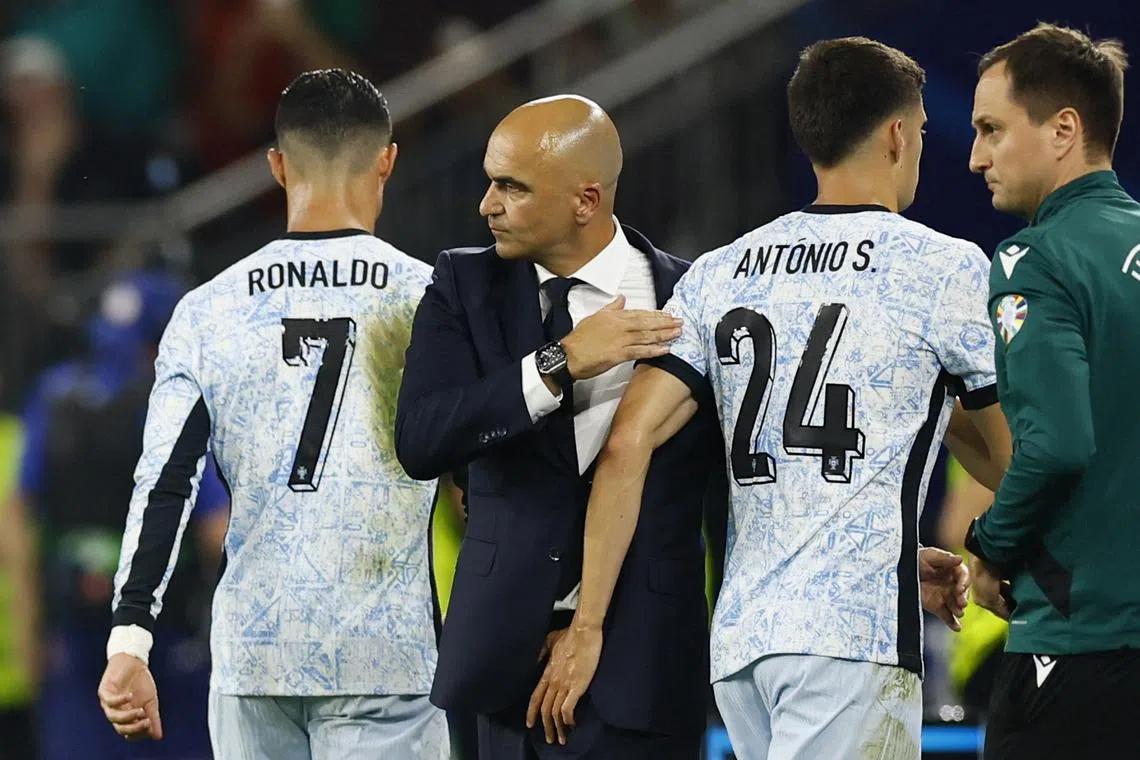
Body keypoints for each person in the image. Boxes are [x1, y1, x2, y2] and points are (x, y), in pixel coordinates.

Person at [536, 38, 1011, 760]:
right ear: (893, 135)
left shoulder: (722, 273)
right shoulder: (941, 268)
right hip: (853, 642)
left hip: (743, 647)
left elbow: (628, 443)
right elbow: (1009, 457)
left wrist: (588, 621)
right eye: (918, 131)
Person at [96, 69, 449, 760]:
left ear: (277, 166)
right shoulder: (429, 297)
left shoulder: (208, 310)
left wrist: (129, 639)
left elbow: (164, 484)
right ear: (388, 159)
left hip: (254, 653)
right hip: (384, 651)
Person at [395, 95, 723, 758]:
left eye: (511, 187)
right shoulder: (462, 284)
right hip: (499, 668)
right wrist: (558, 363)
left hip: (645, 668)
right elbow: (423, 439)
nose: (487, 204)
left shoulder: (693, 300)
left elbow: (736, 481)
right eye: (490, 181)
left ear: (586, 200)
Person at [964, 23, 1140, 759]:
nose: (975, 158)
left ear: (1063, 129)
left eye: (992, 130)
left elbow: (1059, 444)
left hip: (1082, 644)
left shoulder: (1036, 259)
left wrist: (989, 548)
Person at [2, 271, 229, 760]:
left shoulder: (52, 395)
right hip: (165, 649)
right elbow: (217, 532)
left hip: (72, 639)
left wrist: (30, 632)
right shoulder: (171, 399)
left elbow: (16, 520)